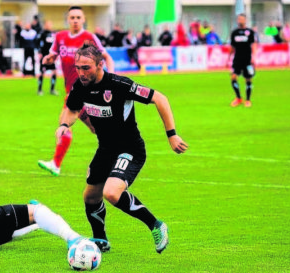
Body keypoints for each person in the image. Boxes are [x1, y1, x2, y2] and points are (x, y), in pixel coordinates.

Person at [56, 43, 188, 254]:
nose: (81, 72)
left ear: (100, 64)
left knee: (111, 192)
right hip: (105, 149)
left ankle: (155, 225)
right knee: (90, 197)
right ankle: (100, 240)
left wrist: (172, 135)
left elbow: (160, 98)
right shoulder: (80, 86)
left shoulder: (119, 84)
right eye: (78, 67)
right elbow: (72, 109)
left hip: (130, 149)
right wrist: (64, 125)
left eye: (86, 67)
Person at [38, 6, 114, 176]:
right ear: (67, 19)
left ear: (84, 19)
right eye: (72, 17)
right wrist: (49, 59)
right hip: (71, 91)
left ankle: (56, 164)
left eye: (78, 17)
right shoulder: (60, 37)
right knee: (95, 128)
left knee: (64, 123)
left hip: (86, 91)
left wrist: (111, 79)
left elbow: (106, 57)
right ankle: (115, 151)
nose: (75, 20)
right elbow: (53, 55)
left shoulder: (89, 38)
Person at [227, 13, 256, 107]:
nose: (240, 21)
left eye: (242, 19)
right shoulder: (234, 33)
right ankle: (238, 98)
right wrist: (228, 58)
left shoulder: (250, 32)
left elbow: (253, 45)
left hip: (247, 59)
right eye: (239, 19)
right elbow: (232, 46)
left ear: (245, 20)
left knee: (248, 79)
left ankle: (248, 100)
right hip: (237, 59)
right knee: (233, 77)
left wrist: (254, 57)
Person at [37, 20, 57, 96]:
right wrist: (39, 52)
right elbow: (38, 43)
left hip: (51, 56)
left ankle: (52, 89)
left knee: (54, 72)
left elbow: (56, 44)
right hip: (44, 55)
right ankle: (39, 89)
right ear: (45, 25)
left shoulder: (53, 34)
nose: (49, 26)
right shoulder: (42, 34)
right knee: (42, 72)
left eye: (50, 24)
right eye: (47, 24)